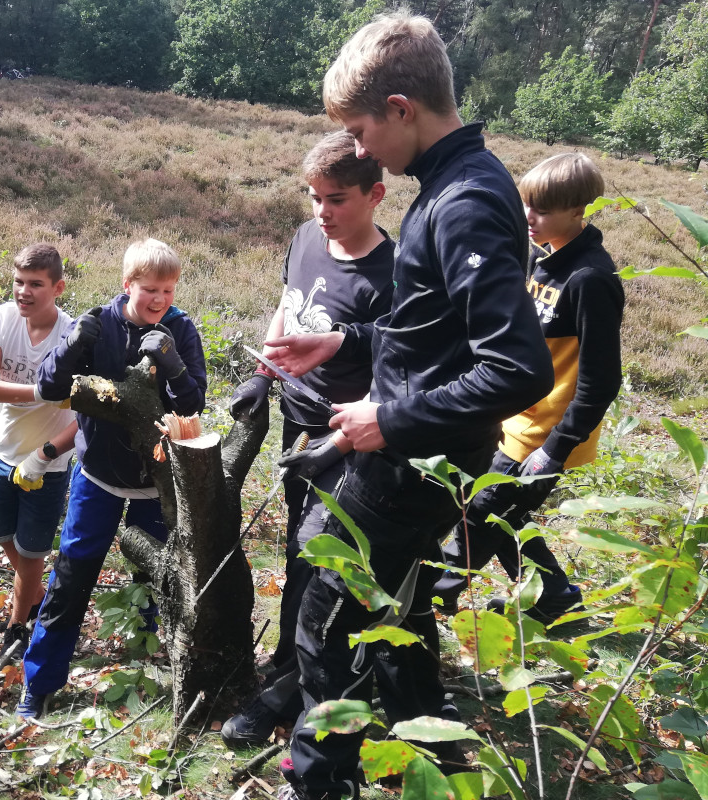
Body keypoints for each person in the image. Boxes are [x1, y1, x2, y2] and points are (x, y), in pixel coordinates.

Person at [264, 13, 555, 799]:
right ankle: (432, 742)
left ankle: (321, 781)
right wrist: (345, 344)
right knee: (399, 600)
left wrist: (387, 419)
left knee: (324, 616)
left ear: (402, 108)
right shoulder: (453, 185)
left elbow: (516, 368)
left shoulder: (462, 201)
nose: (359, 150)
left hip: (412, 464)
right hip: (413, 451)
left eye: (360, 130)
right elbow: (432, 330)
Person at [222, 131, 394, 748]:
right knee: (299, 545)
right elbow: (289, 307)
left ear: (375, 194)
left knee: (318, 555)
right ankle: (290, 668)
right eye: (313, 196)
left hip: (350, 437)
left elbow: (393, 385)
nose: (321, 212)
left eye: (337, 199)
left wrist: (337, 445)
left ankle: (290, 689)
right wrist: (263, 374)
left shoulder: (393, 275)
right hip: (298, 422)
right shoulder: (305, 238)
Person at [16, 238, 208, 718]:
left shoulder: (180, 329)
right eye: (149, 289)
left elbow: (193, 406)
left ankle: (146, 663)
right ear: (128, 285)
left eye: (167, 289)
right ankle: (39, 683)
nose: (159, 299)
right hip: (98, 476)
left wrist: (174, 365)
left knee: (155, 574)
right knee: (72, 574)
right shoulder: (100, 324)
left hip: (155, 478)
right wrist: (73, 345)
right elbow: (48, 387)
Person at [432, 153, 624, 622]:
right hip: (513, 419)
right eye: (525, 207)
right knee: (507, 516)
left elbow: (602, 381)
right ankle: (555, 597)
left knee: (478, 517)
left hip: (547, 434)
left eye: (542, 210)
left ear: (578, 210)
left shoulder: (590, 279)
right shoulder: (542, 259)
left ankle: (432, 598)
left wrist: (556, 448)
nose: (528, 220)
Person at [0, 243, 79, 660]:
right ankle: (37, 593)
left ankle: (18, 626)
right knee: (1, 535)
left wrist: (47, 454)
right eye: (19, 282)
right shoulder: (3, 320)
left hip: (46, 467)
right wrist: (40, 390)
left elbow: (86, 413)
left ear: (58, 287)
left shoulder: (72, 337)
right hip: (3, 454)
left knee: (32, 550)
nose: (24, 291)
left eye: (36, 284)